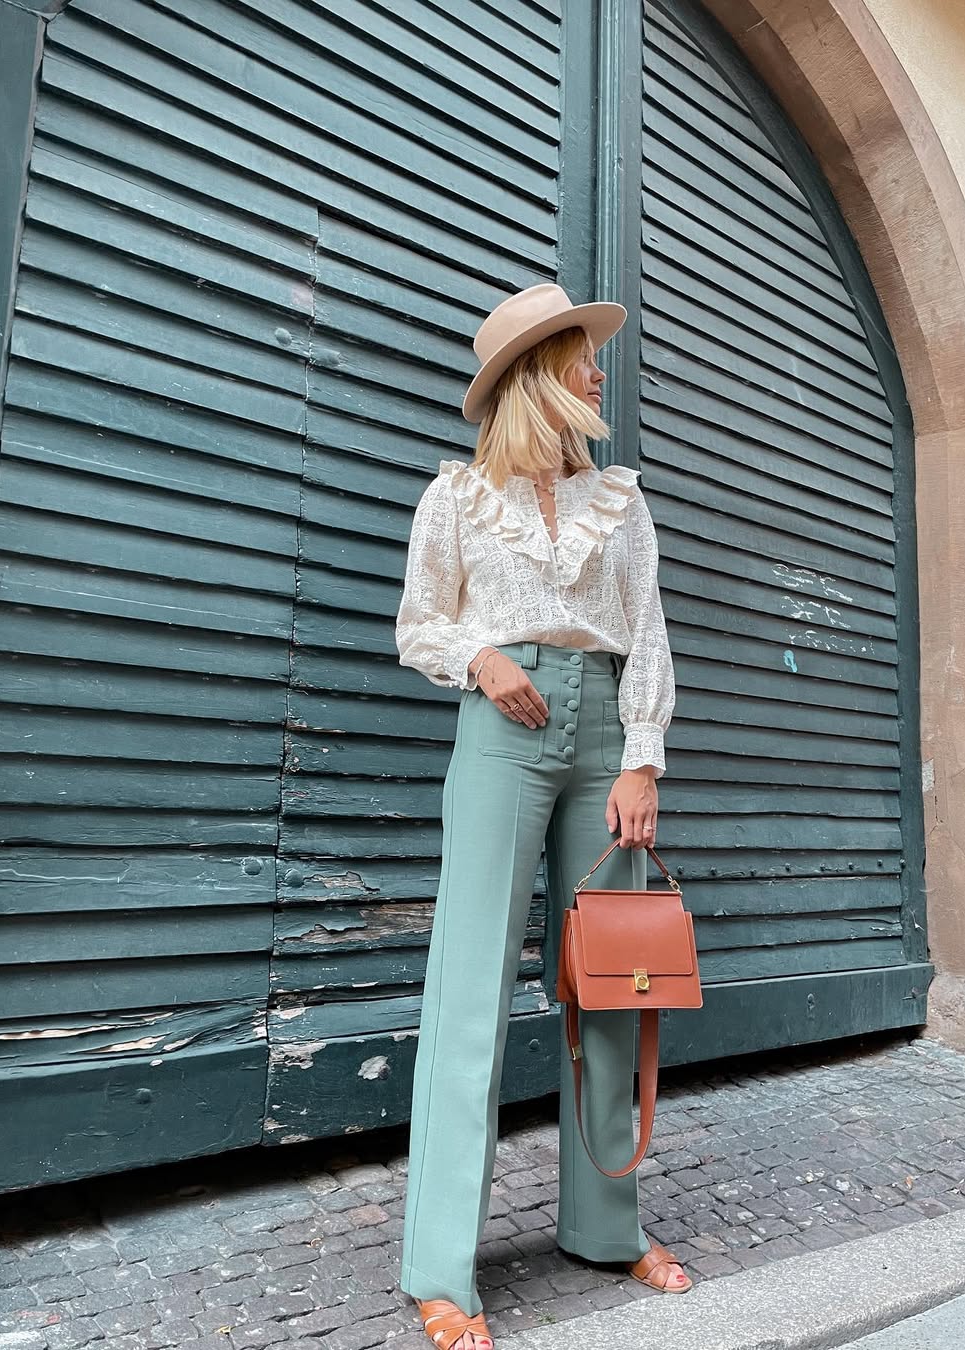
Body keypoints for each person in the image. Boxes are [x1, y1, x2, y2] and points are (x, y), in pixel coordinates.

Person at [394, 283, 690, 1350]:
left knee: (610, 983)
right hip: (502, 723)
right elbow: (419, 622)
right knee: (467, 987)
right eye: (582, 356)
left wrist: (643, 759)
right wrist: (477, 655)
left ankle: (605, 1230)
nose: (599, 373)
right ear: (538, 376)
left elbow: (646, 632)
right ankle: (438, 1268)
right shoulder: (459, 498)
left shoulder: (623, 500)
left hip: (603, 731)